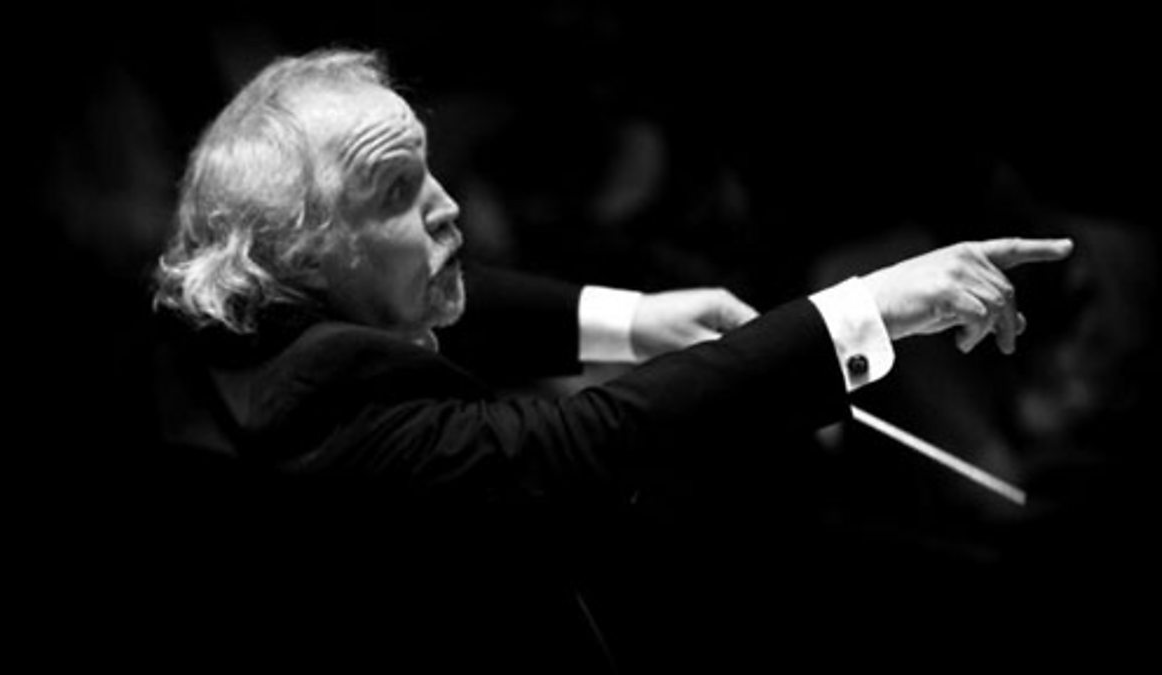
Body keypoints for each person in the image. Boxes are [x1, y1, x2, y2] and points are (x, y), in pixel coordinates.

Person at [145, 48, 1072, 671]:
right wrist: (869, 308)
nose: (447, 206)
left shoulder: (257, 314)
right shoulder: (328, 420)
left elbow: (458, 296)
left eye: (428, 169)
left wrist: (639, 319)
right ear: (309, 253)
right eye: (395, 192)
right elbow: (581, 441)